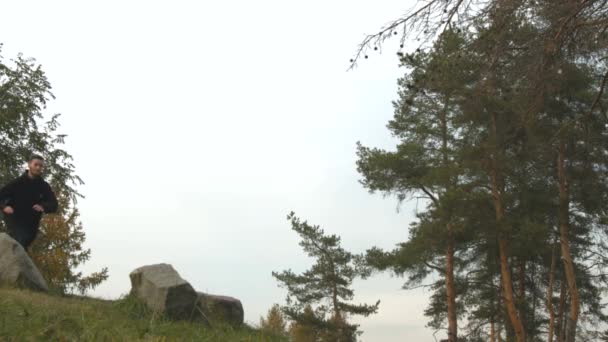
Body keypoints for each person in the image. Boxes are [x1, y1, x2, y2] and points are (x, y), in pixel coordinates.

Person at [0, 154, 58, 251]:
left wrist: (43, 206)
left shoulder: (44, 186)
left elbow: (54, 205)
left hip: (31, 223)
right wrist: (4, 207)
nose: (38, 167)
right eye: (36, 165)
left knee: (23, 245)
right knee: (19, 242)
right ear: (29, 165)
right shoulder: (17, 182)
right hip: (15, 219)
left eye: (41, 166)